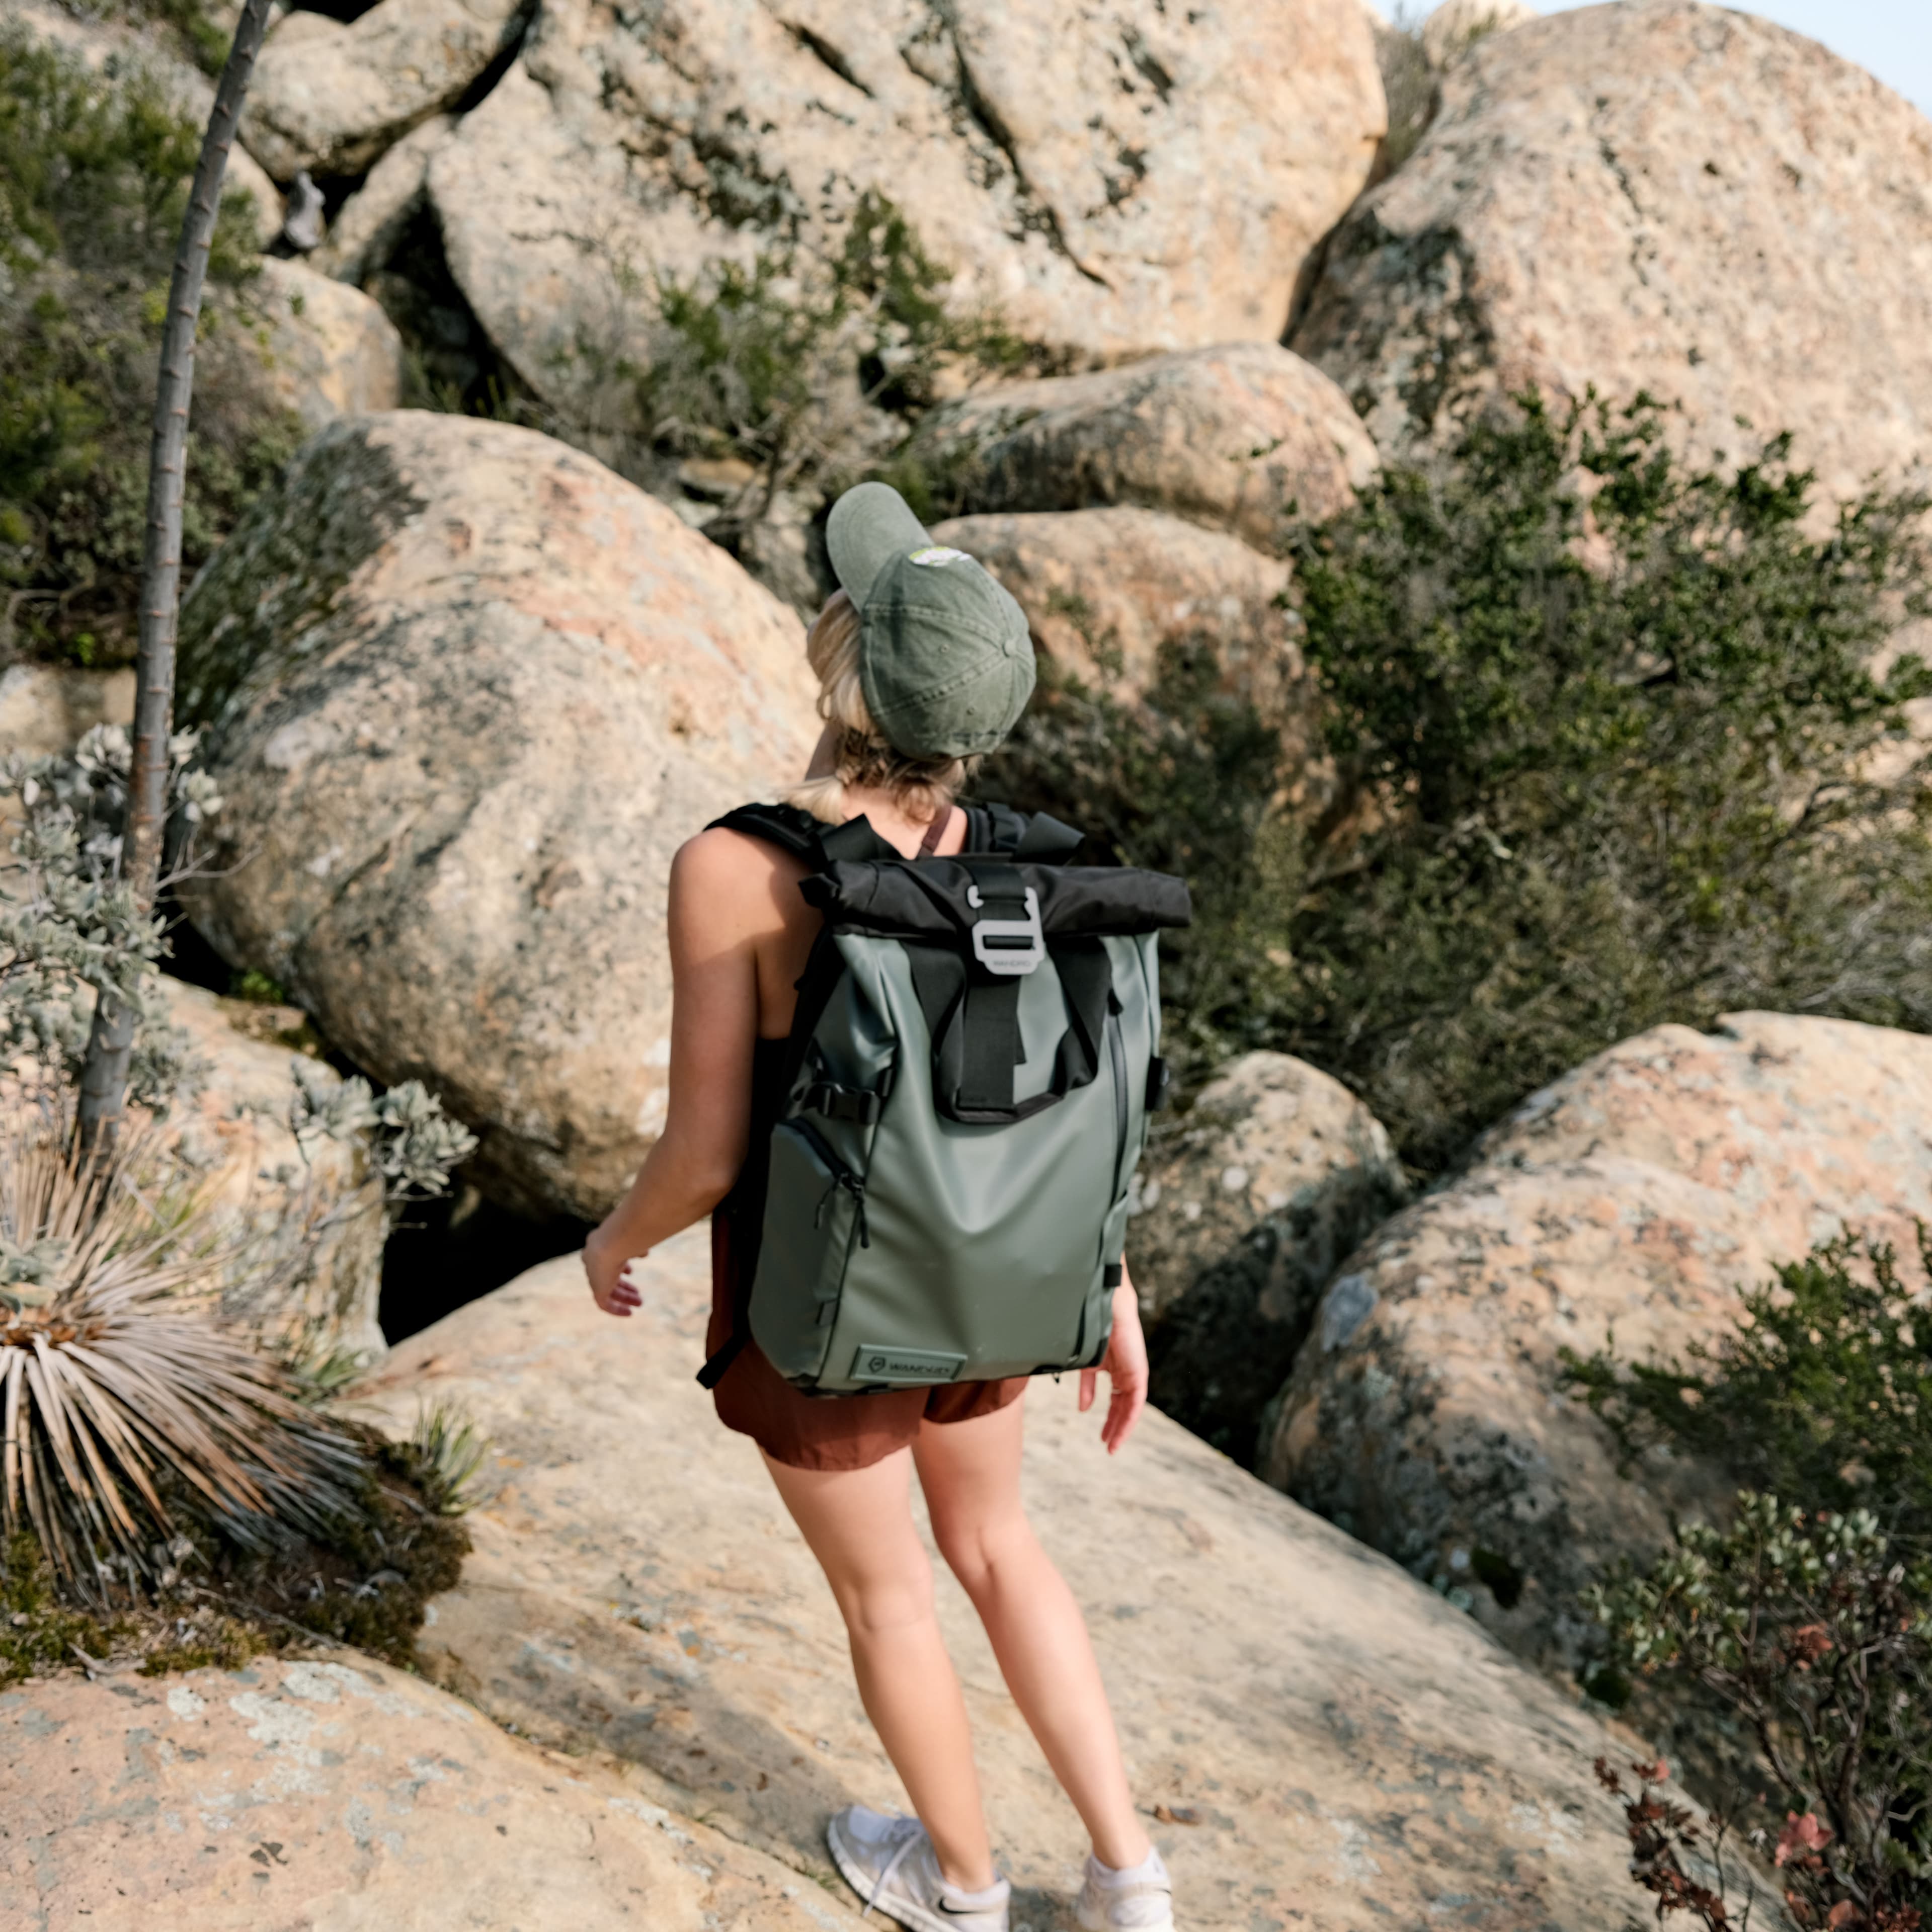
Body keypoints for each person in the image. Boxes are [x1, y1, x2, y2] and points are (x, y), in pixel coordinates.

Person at [583, 484, 1176, 1932]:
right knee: (999, 1551)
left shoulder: (739, 868)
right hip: (998, 1282)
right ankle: (1129, 1878)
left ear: (838, 657)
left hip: (823, 1306)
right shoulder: (1026, 870)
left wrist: (616, 1242)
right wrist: (1106, 1289)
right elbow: (1064, 1106)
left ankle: (962, 1886)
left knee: (891, 1601)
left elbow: (709, 1157)